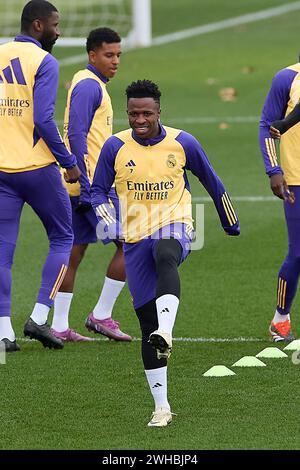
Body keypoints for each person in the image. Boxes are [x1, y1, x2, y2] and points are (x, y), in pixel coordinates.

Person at [91, 80, 240, 426]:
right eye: (133, 113)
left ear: (159, 112)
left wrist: (229, 221)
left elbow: (212, 182)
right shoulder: (115, 147)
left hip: (176, 223)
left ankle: (167, 330)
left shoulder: (182, 142)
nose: (139, 119)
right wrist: (109, 223)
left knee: (166, 253)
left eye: (146, 113)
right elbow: (97, 192)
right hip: (134, 236)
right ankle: (161, 407)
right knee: (147, 326)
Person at [0, 0, 81, 352]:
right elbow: (43, 120)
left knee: (3, 252)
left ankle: (4, 332)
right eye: (55, 24)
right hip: (37, 169)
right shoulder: (44, 62)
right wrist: (68, 161)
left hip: (1, 171)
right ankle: (39, 315)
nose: (58, 31)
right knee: (64, 237)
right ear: (37, 26)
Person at [50, 27, 131, 343]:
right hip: (92, 185)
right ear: (92, 54)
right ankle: (102, 314)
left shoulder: (89, 83)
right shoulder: (89, 86)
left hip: (77, 183)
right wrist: (87, 184)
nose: (115, 61)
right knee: (131, 243)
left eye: (118, 55)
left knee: (73, 252)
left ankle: (58, 325)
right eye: (109, 55)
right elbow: (77, 135)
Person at [259, 59, 300, 343]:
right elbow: (267, 126)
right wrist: (275, 170)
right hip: (296, 177)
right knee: (298, 253)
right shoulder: (287, 78)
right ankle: (280, 319)